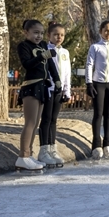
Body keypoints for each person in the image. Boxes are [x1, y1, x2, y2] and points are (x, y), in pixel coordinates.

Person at [16, 19, 60, 171]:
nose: (39, 36)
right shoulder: (23, 46)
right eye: (35, 33)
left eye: (41, 33)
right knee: (29, 122)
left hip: (43, 86)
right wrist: (42, 56)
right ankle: (23, 155)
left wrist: (57, 80)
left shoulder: (42, 46)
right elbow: (27, 64)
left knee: (35, 123)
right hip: (31, 86)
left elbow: (51, 65)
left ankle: (29, 155)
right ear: (26, 32)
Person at [85, 20, 109, 159]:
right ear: (101, 31)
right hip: (98, 83)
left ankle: (107, 143)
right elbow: (89, 65)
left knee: (108, 114)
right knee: (98, 114)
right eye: (106, 30)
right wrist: (89, 83)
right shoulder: (95, 47)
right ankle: (96, 144)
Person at [37, 22, 71, 168]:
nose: (59, 37)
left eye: (62, 35)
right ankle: (43, 150)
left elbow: (67, 72)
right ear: (49, 35)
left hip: (59, 90)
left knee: (54, 120)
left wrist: (67, 90)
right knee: (46, 119)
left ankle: (52, 148)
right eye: (56, 34)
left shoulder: (65, 52)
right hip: (48, 88)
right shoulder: (45, 49)